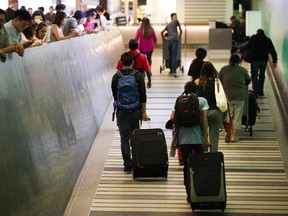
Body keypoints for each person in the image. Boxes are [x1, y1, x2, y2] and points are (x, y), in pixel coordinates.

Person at [170, 81, 209, 201]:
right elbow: (204, 120)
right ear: (197, 90)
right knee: (199, 166)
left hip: (183, 139)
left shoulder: (179, 100)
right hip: (197, 139)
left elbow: (172, 117)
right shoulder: (202, 101)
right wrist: (205, 138)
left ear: (185, 90)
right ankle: (199, 191)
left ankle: (189, 194)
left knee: (187, 166)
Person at [111, 52, 149, 173]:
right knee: (134, 137)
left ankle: (127, 165)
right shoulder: (138, 76)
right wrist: (144, 112)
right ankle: (137, 162)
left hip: (121, 112)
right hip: (135, 111)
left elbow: (115, 96)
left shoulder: (116, 77)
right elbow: (143, 95)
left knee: (124, 138)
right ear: (132, 62)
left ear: (121, 62)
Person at [219, 54, 251, 143]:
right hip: (239, 96)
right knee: (237, 117)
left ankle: (227, 133)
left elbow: (219, 80)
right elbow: (248, 80)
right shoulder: (243, 70)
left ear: (229, 61)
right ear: (239, 62)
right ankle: (233, 137)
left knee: (228, 116)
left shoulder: (224, 69)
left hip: (226, 96)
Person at [242, 29, 278, 97]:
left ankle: (255, 91)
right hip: (263, 61)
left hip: (255, 60)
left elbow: (248, 45)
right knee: (262, 75)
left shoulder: (254, 38)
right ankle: (260, 91)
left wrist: (241, 49)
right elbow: (272, 50)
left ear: (257, 33)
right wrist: (274, 61)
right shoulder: (267, 39)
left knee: (254, 75)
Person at [196, 61, 223, 151]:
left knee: (203, 136)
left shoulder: (197, 81)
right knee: (214, 137)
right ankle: (213, 158)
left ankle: (204, 157)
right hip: (214, 111)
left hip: (201, 112)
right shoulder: (217, 82)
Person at [161, 13, 182, 78]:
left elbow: (162, 32)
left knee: (170, 55)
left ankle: (171, 70)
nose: (176, 17)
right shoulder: (176, 21)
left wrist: (164, 38)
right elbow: (181, 30)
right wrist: (179, 37)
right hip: (175, 40)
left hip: (169, 41)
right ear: (172, 17)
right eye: (175, 16)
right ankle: (174, 71)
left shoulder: (168, 24)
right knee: (174, 55)